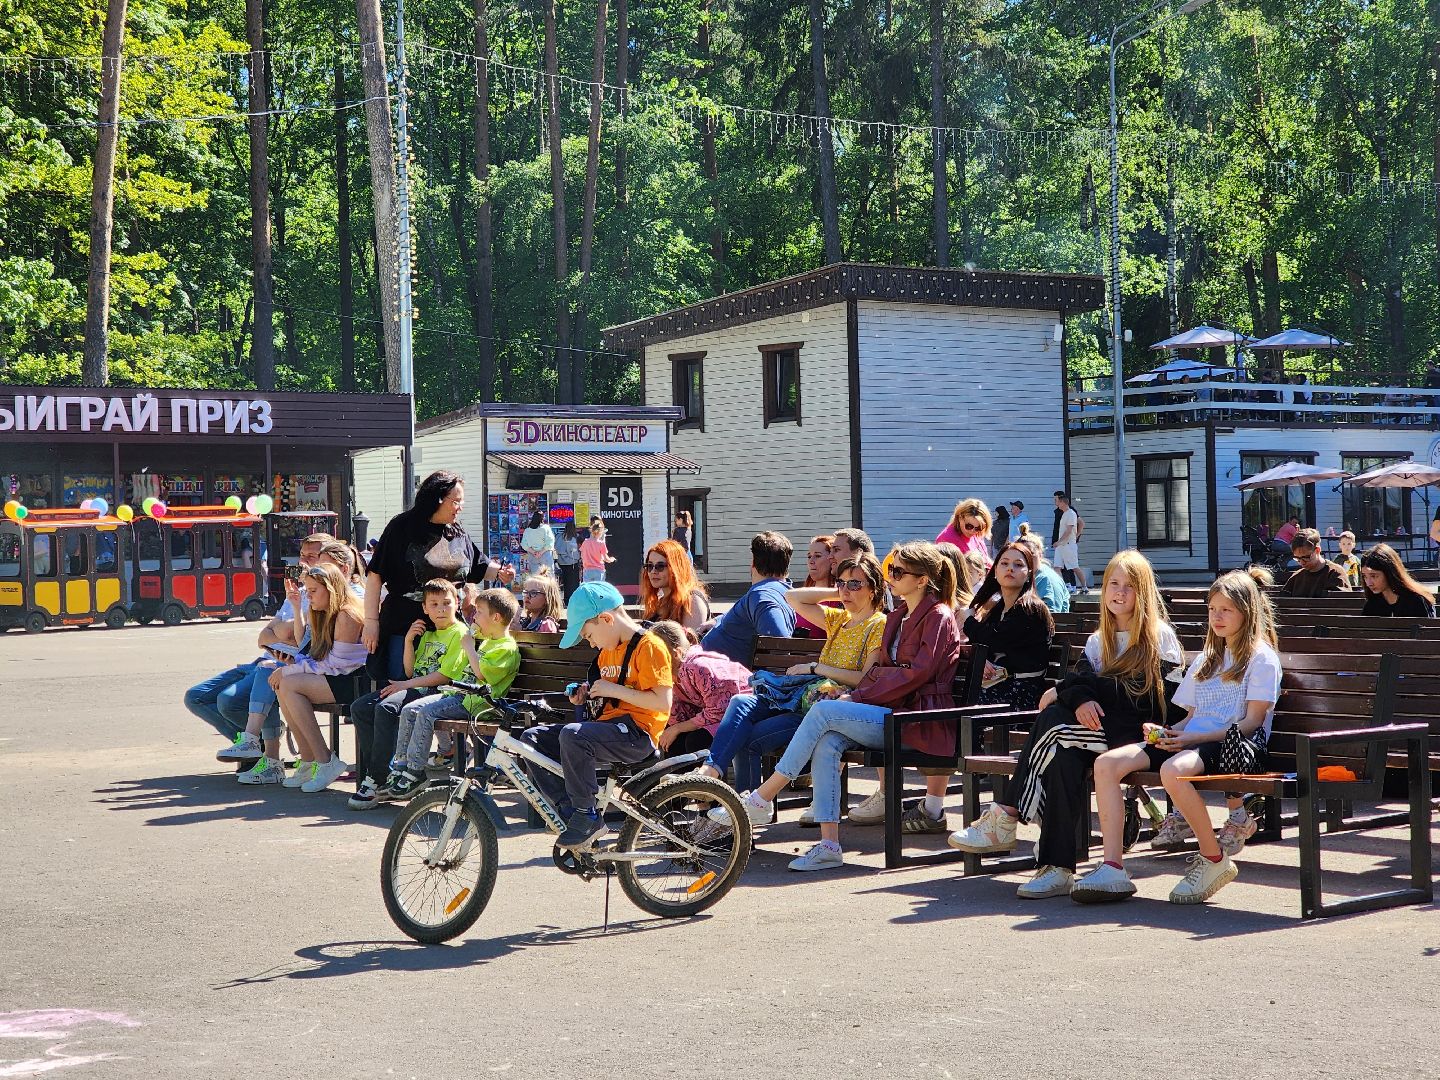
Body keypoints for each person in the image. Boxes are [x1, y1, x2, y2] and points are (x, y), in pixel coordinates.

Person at [713, 542, 963, 871]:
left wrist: (857, 696)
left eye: (898, 572)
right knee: (828, 742)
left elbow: (915, 675)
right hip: (891, 710)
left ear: (920, 580)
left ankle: (762, 797)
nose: (893, 576)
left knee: (824, 711)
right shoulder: (900, 616)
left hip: (916, 718)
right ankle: (829, 844)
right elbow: (883, 673)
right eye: (891, 570)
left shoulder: (937, 617)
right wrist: (863, 691)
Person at [949, 550, 1184, 898]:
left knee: (1054, 718)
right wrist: (1076, 694)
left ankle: (1006, 814)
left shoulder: (1158, 636)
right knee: (1062, 759)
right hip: (1094, 732)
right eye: (1113, 584)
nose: (1119, 593)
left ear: (1144, 592)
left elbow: (1149, 700)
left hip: (1137, 736)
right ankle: (1057, 869)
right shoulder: (1098, 639)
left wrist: (1066, 691)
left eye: (1129, 587)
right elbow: (1084, 683)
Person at [1076, 570, 1281, 904]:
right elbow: (1189, 718)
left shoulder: (1261, 658)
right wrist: (1169, 734)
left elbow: (1252, 722)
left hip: (1235, 744)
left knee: (1173, 770)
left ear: (1247, 612)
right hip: (1194, 742)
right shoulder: (1206, 659)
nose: (1217, 616)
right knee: (1107, 763)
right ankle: (1113, 866)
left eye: (1226, 609)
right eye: (1213, 609)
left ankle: (1213, 859)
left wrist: (1187, 740)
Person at [692, 553, 888, 806]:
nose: (846, 591)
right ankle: (712, 772)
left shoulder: (878, 624)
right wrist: (838, 590)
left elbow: (864, 679)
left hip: (826, 709)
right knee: (741, 702)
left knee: (747, 738)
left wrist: (817, 668)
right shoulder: (841, 619)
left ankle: (740, 812)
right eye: (841, 583)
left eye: (855, 584)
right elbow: (792, 597)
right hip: (801, 698)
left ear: (873, 589)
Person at [529, 582, 673, 848]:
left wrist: (613, 689)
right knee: (530, 740)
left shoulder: (649, 646)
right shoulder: (607, 651)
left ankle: (587, 816)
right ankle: (570, 812)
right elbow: (611, 692)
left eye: (588, 635)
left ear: (606, 619)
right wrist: (586, 694)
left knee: (573, 735)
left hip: (637, 735)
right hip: (609, 729)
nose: (590, 643)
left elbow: (663, 703)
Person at [196, 532, 330, 774]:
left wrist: (280, 630)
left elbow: (297, 637)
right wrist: (281, 631)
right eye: (302, 556)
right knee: (196, 696)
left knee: (230, 699)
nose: (303, 562)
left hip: (290, 664)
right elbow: (264, 637)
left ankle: (266, 753)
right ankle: (255, 746)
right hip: (269, 657)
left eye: (312, 556)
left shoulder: (320, 593)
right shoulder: (298, 591)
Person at [377, 587, 521, 800]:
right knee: (410, 709)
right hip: (460, 696)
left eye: (479, 612)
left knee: (426, 712)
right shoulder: (489, 640)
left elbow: (482, 674)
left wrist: (470, 648)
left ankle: (415, 771)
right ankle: (401, 765)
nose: (474, 616)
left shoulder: (506, 647)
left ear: (496, 617)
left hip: (478, 703)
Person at [361, 471, 496, 684]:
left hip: (447, 631)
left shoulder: (457, 531)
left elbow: (479, 567)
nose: (460, 507)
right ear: (438, 498)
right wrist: (370, 622)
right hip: (404, 627)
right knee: (398, 686)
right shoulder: (401, 527)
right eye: (456, 502)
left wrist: (502, 572)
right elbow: (375, 575)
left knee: (443, 688)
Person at [348, 579, 470, 809]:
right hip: (414, 685)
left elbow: (445, 676)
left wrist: (405, 686)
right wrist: (408, 641)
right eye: (434, 604)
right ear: (424, 608)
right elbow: (409, 670)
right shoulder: (429, 634)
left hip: (435, 692)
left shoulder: (460, 632)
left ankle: (376, 778)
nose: (441, 609)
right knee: (361, 708)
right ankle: (381, 773)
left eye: (446, 603)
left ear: (457, 603)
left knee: (385, 708)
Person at [269, 563, 369, 792]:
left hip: (355, 680)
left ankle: (325, 760)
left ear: (331, 588)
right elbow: (305, 644)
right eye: (307, 590)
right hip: (336, 676)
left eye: (313, 591)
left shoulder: (347, 615)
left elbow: (337, 665)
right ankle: (308, 760)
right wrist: (296, 608)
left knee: (289, 684)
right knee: (283, 685)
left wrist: (289, 670)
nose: (309, 596)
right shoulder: (322, 611)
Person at [962, 541, 1055, 712]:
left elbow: (995, 639)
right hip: (996, 687)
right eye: (1004, 563)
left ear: (1028, 574)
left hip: (1021, 692)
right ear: (995, 571)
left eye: (1018, 565)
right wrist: (984, 660)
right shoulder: (998, 608)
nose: (1010, 568)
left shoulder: (1030, 608)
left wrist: (968, 621)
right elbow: (988, 643)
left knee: (971, 712)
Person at [649, 621, 752, 755]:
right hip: (715, 715)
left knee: (696, 741)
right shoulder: (671, 673)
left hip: (743, 711)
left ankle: (704, 776)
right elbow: (679, 715)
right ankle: (681, 777)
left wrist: (678, 728)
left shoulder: (698, 667)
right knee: (674, 741)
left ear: (676, 654)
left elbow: (719, 711)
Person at [700, 531, 797, 665]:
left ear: (753, 562)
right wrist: (717, 620)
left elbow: (779, 643)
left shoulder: (762, 596)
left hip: (721, 677)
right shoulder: (780, 590)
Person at [639, 538, 711, 631]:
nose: (653, 571)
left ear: (676, 568)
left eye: (660, 566)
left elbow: (690, 642)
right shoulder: (660, 601)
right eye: (650, 566)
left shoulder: (692, 600)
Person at [1359, 544, 1436, 617]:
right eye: (1364, 576)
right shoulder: (1372, 604)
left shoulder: (1416, 601)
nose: (1369, 583)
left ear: (1390, 573)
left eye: (1374, 576)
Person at [1014, 524, 1070, 614]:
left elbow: (1051, 614)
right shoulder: (1031, 575)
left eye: (1030, 554)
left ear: (1040, 554)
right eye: (1021, 555)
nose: (1025, 559)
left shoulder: (1045, 579)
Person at [1280, 528, 1351, 596]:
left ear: (1317, 550)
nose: (1302, 562)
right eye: (1298, 558)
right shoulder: (1297, 577)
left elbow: (1342, 603)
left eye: (1306, 557)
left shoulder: (1335, 573)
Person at [795, 534, 837, 635]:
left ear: (832, 559)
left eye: (817, 556)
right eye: (809, 556)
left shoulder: (840, 596)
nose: (811, 561)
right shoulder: (800, 594)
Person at [936, 498, 993, 563]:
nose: (973, 531)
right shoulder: (946, 539)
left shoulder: (977, 535)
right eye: (969, 526)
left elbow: (986, 560)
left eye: (978, 528)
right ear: (960, 518)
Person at [1051, 491, 1086, 594]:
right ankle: (1063, 587)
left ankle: (1084, 587)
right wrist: (1057, 542)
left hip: (1068, 545)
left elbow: (1069, 530)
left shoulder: (1071, 513)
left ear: (1062, 501)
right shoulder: (1062, 513)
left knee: (1074, 567)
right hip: (1060, 545)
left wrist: (1075, 537)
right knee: (1057, 567)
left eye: (1056, 500)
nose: (1055, 502)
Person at [520, 511, 556, 575]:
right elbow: (550, 542)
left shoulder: (527, 530)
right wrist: (541, 552)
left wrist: (534, 552)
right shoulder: (546, 528)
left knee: (535, 578)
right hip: (546, 555)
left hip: (533, 556)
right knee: (548, 576)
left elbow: (524, 545)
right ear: (542, 518)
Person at [554, 523, 581, 600]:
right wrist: (579, 558)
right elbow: (574, 553)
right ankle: (572, 600)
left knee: (565, 583)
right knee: (573, 584)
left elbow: (555, 548)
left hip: (561, 563)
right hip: (572, 563)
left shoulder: (558, 536)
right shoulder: (573, 538)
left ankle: (566, 600)